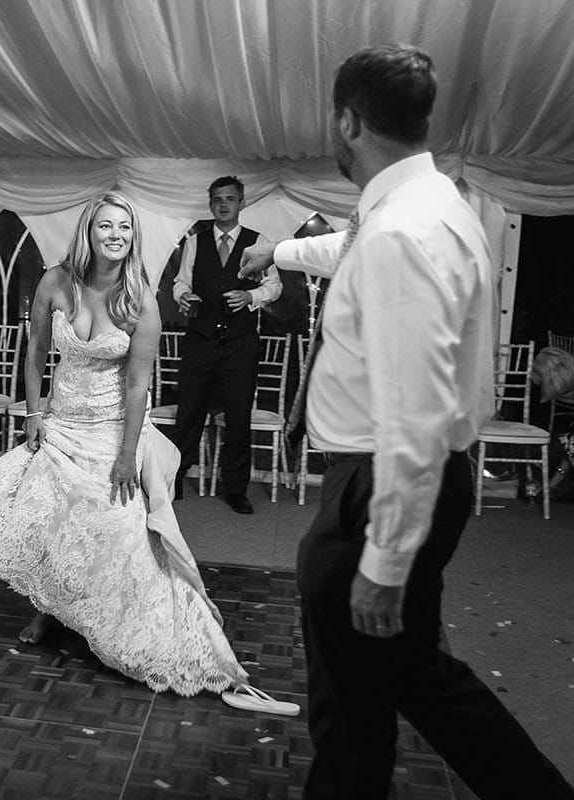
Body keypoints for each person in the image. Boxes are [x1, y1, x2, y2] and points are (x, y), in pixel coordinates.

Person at [239, 44, 574, 798]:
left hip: (381, 481)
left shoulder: (400, 232)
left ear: (349, 120)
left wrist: (384, 564)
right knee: (415, 677)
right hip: (402, 476)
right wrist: (279, 252)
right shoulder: (422, 204)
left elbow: (415, 417)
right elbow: (347, 249)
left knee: (349, 708)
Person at [0, 192, 294, 715]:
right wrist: (32, 414)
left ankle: (104, 622)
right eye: (105, 226)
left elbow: (139, 384)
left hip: (114, 430)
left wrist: (126, 455)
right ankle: (50, 613)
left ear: (132, 236)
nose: (115, 234)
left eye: (124, 227)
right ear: (88, 233)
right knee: (53, 524)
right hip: (62, 425)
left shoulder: (141, 296)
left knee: (115, 531)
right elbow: (33, 354)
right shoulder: (55, 281)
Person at [168, 176, 281, 514]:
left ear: (241, 203)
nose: (223, 204)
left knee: (237, 417)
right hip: (200, 342)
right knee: (188, 414)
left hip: (240, 344)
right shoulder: (195, 243)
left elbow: (274, 286)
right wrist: (182, 295)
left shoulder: (257, 242)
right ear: (210, 204)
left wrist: (250, 295)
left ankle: (235, 490)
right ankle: (174, 480)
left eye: (230, 198)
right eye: (217, 199)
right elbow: (179, 282)